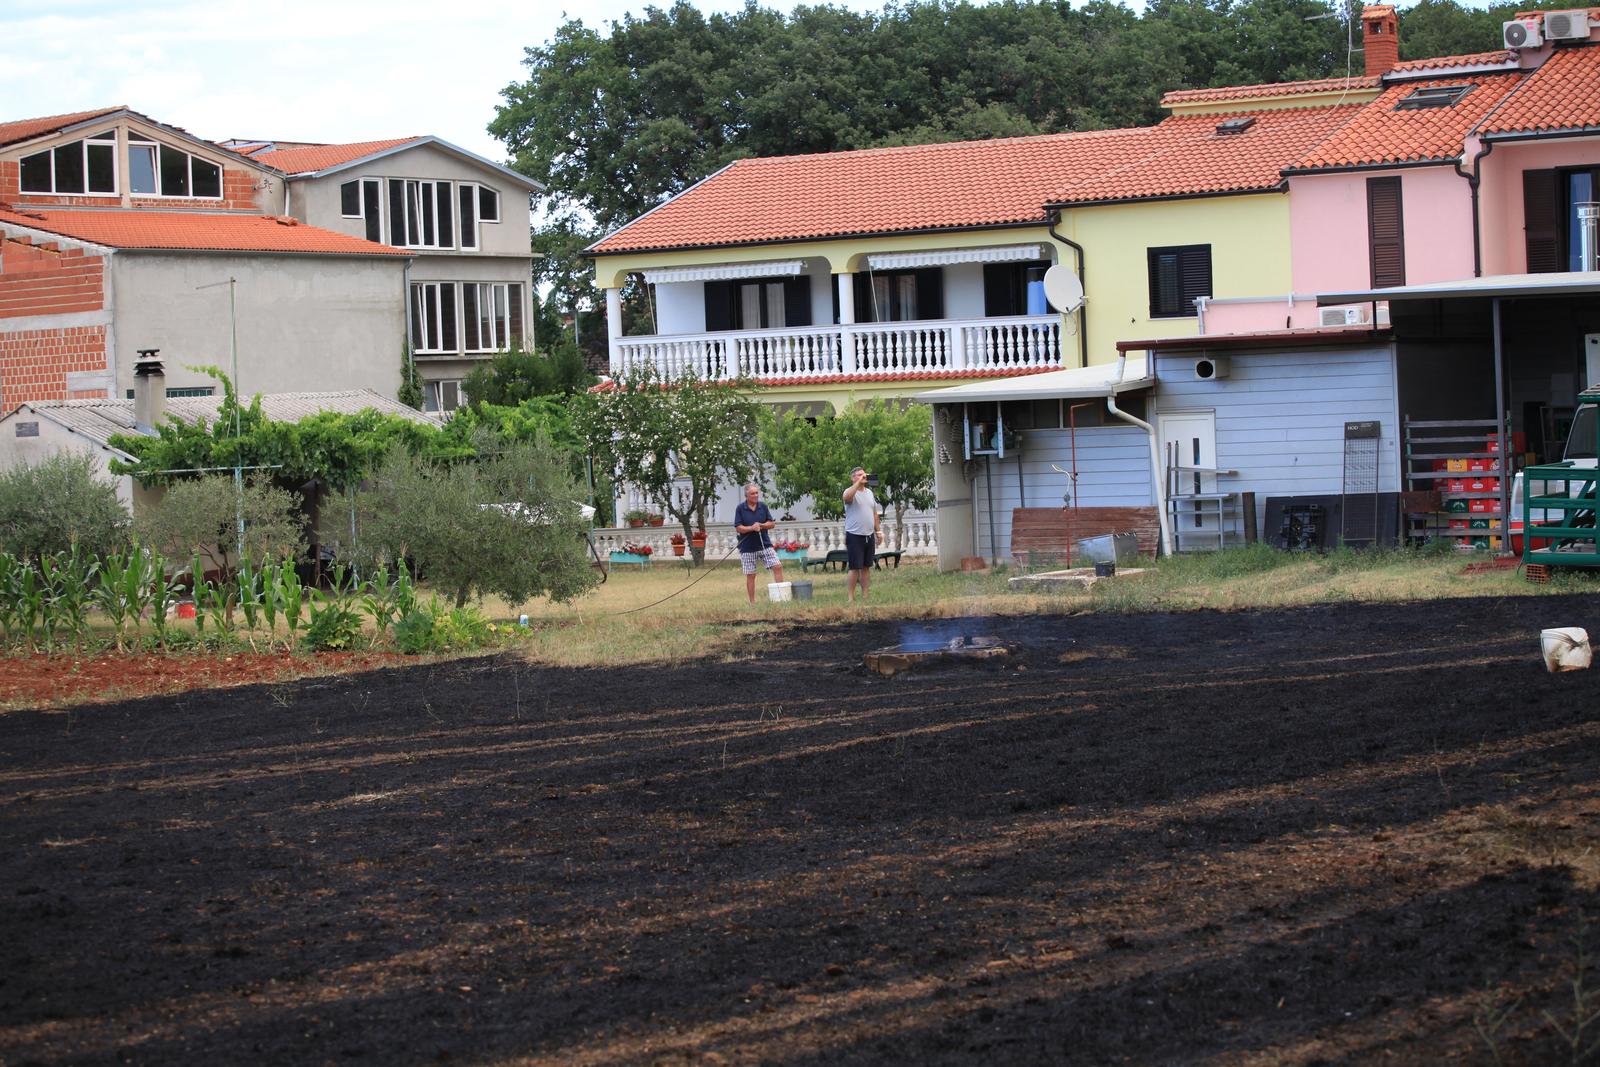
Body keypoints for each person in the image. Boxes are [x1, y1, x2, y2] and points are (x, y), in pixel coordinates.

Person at [733, 482, 785, 603]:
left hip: (765, 545)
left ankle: (781, 597)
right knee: (751, 574)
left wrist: (761, 525)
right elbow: (738, 527)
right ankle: (752, 602)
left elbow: (771, 523)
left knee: (777, 566)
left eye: (757, 493)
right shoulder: (740, 508)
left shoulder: (763, 506)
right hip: (747, 547)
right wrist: (751, 528)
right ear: (747, 495)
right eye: (753, 493)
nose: (756, 495)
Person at [842, 466, 883, 602]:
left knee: (866, 567)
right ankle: (850, 598)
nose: (863, 477)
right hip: (854, 535)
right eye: (859, 475)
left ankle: (865, 596)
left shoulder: (869, 493)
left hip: (869, 535)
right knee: (854, 568)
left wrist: (878, 531)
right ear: (853, 478)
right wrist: (858, 483)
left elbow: (874, 513)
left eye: (863, 474)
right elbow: (847, 498)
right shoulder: (849, 491)